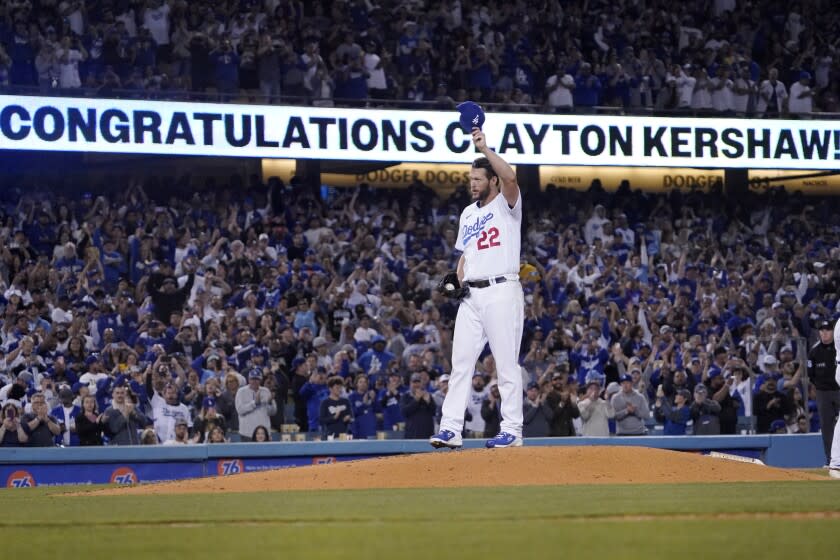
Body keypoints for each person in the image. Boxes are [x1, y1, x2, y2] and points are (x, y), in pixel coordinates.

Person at [431, 124, 525, 450]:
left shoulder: (508, 204)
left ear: (492, 181)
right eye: (470, 179)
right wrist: (456, 280)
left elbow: (511, 178)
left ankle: (512, 430)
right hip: (472, 295)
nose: (472, 184)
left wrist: (485, 149)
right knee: (461, 363)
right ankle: (451, 430)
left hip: (502, 290)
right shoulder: (468, 214)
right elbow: (467, 253)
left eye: (478, 179)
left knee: (506, 363)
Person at [808, 319, 839, 464]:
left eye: (827, 330)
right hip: (823, 393)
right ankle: (830, 459)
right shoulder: (814, 351)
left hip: (839, 389)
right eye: (822, 330)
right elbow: (810, 374)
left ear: (833, 331)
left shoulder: (838, 348)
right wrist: (820, 387)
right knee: (826, 427)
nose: (825, 333)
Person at [236, 368, 277, 442]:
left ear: (260, 380)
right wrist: (255, 403)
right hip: (247, 433)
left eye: (257, 379)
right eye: (252, 379)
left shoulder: (266, 391)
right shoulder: (241, 391)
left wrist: (270, 402)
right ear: (248, 379)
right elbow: (240, 410)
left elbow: (272, 412)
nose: (254, 381)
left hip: (264, 434)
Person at [401, 372, 437, 439]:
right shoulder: (405, 396)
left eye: (418, 382)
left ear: (422, 384)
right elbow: (405, 412)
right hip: (411, 435)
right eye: (414, 382)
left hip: (427, 434)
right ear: (410, 383)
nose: (416, 384)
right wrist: (416, 400)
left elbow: (434, 412)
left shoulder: (427, 395)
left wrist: (429, 402)